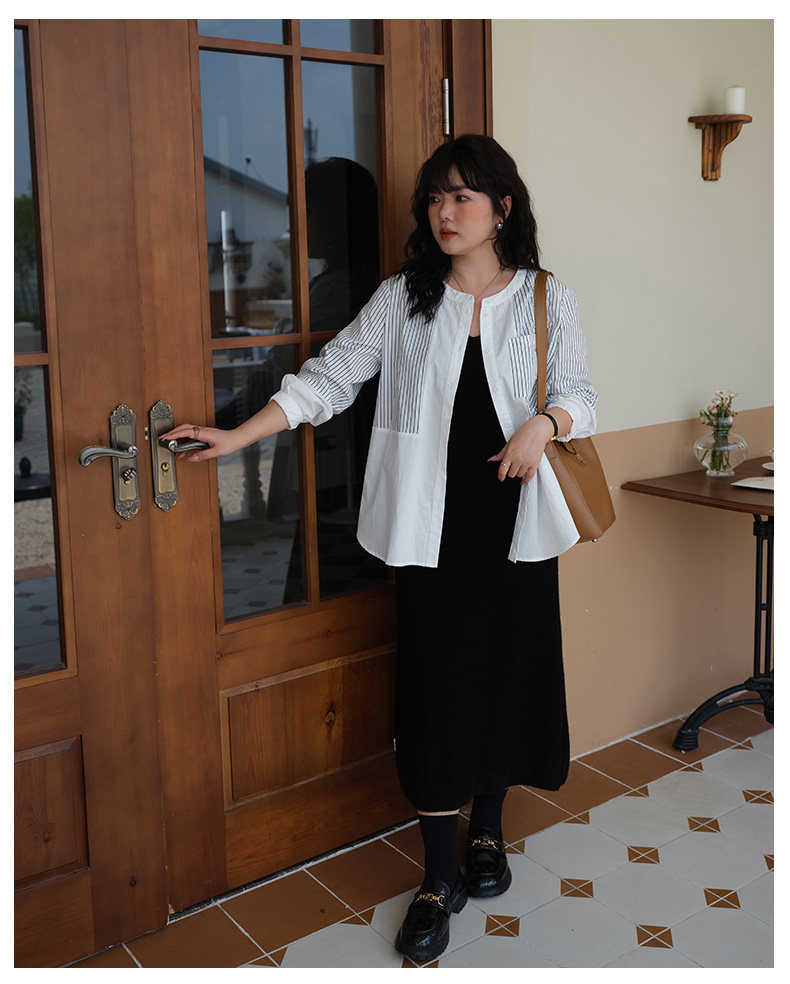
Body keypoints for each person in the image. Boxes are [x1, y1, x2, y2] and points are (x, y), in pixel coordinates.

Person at [162, 133, 598, 962]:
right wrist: (238, 434)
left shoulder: (547, 297)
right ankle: (439, 874)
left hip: (516, 528)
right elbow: (328, 379)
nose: (444, 212)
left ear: (503, 207)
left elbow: (581, 392)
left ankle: (488, 829)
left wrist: (545, 423)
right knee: (436, 691)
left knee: (508, 677)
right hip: (429, 532)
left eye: (462, 196)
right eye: (434, 197)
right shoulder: (405, 297)